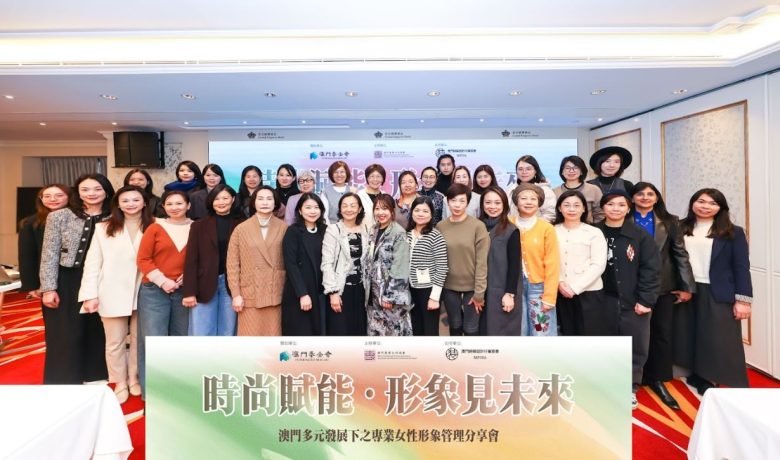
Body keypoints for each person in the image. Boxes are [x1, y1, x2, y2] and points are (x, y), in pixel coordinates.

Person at [79, 185, 153, 403]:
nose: (131, 204)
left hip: (145, 290)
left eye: (136, 200)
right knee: (114, 341)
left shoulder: (156, 224)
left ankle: (134, 378)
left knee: (140, 339)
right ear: (118, 204)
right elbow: (93, 263)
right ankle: (119, 381)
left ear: (145, 202)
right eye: (125, 200)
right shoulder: (103, 228)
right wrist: (90, 295)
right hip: (112, 290)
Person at [674, 188, 752, 395]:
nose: (705, 206)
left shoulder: (733, 232)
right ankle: (693, 372)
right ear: (693, 203)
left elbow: (741, 267)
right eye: (701, 201)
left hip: (717, 290)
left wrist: (743, 300)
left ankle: (710, 378)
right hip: (687, 288)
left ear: (720, 207)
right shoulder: (679, 226)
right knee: (687, 332)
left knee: (716, 338)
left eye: (712, 203)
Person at [39, 173, 115, 384]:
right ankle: (63, 379)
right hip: (67, 279)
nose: (91, 193)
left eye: (97, 189)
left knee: (97, 329)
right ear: (77, 192)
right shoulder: (60, 216)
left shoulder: (115, 216)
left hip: (102, 279)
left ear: (107, 191)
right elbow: (49, 253)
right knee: (64, 331)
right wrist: (48, 288)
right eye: (85, 189)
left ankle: (97, 376)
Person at [631, 182, 695, 409]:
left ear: (657, 198)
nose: (645, 197)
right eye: (640, 193)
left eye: (650, 194)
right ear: (632, 197)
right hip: (630, 286)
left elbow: (680, 253)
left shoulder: (670, 221)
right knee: (633, 333)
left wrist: (687, 286)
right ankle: (632, 377)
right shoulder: (623, 217)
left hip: (663, 285)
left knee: (661, 333)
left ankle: (657, 378)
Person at [596, 190, 661, 410]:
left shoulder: (639, 236)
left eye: (621, 205)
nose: (615, 209)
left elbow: (651, 270)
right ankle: (604, 385)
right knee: (603, 344)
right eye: (610, 204)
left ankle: (629, 387)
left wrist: (646, 300)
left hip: (633, 301)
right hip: (601, 300)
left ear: (628, 208)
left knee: (634, 346)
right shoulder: (593, 232)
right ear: (602, 207)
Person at [136, 189, 193, 398]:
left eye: (179, 203)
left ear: (188, 205)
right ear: (163, 207)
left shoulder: (197, 227)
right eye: (169, 204)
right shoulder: (155, 227)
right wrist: (163, 281)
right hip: (154, 291)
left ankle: (176, 390)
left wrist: (190, 275)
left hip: (184, 291)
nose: (174, 208)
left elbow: (202, 258)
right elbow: (143, 259)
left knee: (180, 339)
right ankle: (153, 394)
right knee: (153, 340)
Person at [227, 186, 287, 336]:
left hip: (275, 292)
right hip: (249, 294)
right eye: (260, 199)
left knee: (273, 340)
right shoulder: (241, 229)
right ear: (253, 202)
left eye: (269, 199)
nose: (265, 202)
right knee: (250, 340)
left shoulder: (284, 227)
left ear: (275, 203)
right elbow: (233, 264)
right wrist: (236, 294)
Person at [182, 184, 240, 336]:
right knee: (202, 331)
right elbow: (191, 260)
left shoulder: (241, 224)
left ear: (233, 199)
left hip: (232, 284)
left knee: (228, 331)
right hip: (204, 283)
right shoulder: (198, 225)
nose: (221, 202)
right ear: (211, 201)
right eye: (217, 199)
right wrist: (189, 291)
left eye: (225, 198)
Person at [437, 183, 489, 336]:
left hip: (473, 287)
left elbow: (482, 262)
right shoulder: (440, 226)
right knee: (455, 325)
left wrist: (479, 292)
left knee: (471, 328)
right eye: (453, 200)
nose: (457, 205)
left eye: (462, 201)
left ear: (468, 203)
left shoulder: (478, 226)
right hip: (448, 286)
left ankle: (471, 353)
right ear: (447, 201)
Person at [553, 190, 607, 336]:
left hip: (589, 292)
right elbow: (549, 261)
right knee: (566, 334)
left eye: (577, 205)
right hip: (560, 291)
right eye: (567, 205)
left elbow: (598, 264)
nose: (572, 209)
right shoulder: (552, 231)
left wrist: (574, 288)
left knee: (588, 335)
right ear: (559, 208)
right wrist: (560, 282)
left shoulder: (594, 232)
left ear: (584, 208)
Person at [511, 183, 561, 336]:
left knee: (541, 330)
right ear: (516, 202)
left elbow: (553, 263)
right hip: (515, 287)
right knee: (519, 330)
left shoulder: (546, 228)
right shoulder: (508, 224)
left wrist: (550, 296)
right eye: (523, 198)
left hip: (539, 287)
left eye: (533, 199)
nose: (528, 202)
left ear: (539, 203)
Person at [321, 193, 372, 336]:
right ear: (340, 209)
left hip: (362, 290)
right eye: (344, 206)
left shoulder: (366, 229)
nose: (348, 209)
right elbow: (327, 263)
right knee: (341, 332)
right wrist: (333, 293)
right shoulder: (333, 230)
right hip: (341, 289)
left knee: (359, 332)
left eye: (353, 205)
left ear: (359, 209)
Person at [365, 194, 412, 336]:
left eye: (385, 208)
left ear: (392, 211)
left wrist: (390, 296)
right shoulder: (373, 229)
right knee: (376, 334)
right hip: (373, 294)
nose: (380, 212)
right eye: (377, 208)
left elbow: (400, 267)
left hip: (390, 296)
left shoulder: (398, 233)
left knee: (393, 335)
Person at [479, 186, 523, 335]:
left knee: (499, 333)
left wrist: (509, 294)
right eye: (488, 202)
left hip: (500, 291)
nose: (492, 207)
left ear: (504, 204)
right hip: (478, 291)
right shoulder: (477, 227)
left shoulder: (511, 230)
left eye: (497, 203)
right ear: (482, 204)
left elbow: (514, 266)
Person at [281, 193, 327, 335]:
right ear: (300, 211)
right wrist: (302, 294)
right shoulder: (293, 231)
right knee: (301, 333)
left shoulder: (325, 230)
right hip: (300, 291)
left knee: (319, 333)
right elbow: (291, 264)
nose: (313, 211)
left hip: (321, 292)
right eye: (308, 207)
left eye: (316, 207)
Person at [18, 184, 71, 298]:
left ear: (69, 197)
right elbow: (27, 256)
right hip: (46, 279)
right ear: (41, 199)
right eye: (47, 196)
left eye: (59, 195)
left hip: (74, 275)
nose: (53, 199)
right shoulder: (30, 223)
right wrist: (31, 285)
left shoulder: (79, 219)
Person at [406, 196, 448, 336]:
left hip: (428, 290)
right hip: (410, 289)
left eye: (425, 211)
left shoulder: (436, 236)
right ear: (412, 212)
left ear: (431, 215)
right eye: (417, 210)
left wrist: (434, 297)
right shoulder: (407, 234)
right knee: (415, 328)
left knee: (430, 331)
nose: (420, 214)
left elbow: (442, 267)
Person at [553, 156, 603, 223]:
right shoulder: (554, 192)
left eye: (575, 168)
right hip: (561, 227)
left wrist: (594, 228)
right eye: (567, 168)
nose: (571, 171)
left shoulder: (593, 189)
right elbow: (552, 214)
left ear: (581, 171)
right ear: (562, 171)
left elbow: (600, 214)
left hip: (588, 227)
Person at [506, 155, 556, 222]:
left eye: (528, 169)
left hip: (537, 227)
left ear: (535, 171)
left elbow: (550, 214)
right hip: (513, 227)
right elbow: (507, 213)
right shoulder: (511, 189)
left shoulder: (545, 190)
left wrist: (531, 225)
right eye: (520, 169)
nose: (524, 172)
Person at [356, 163, 386, 229]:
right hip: (363, 233)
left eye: (378, 176)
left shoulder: (385, 196)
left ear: (383, 179)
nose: (375, 179)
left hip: (383, 233)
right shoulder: (359, 196)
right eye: (372, 176)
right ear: (367, 178)